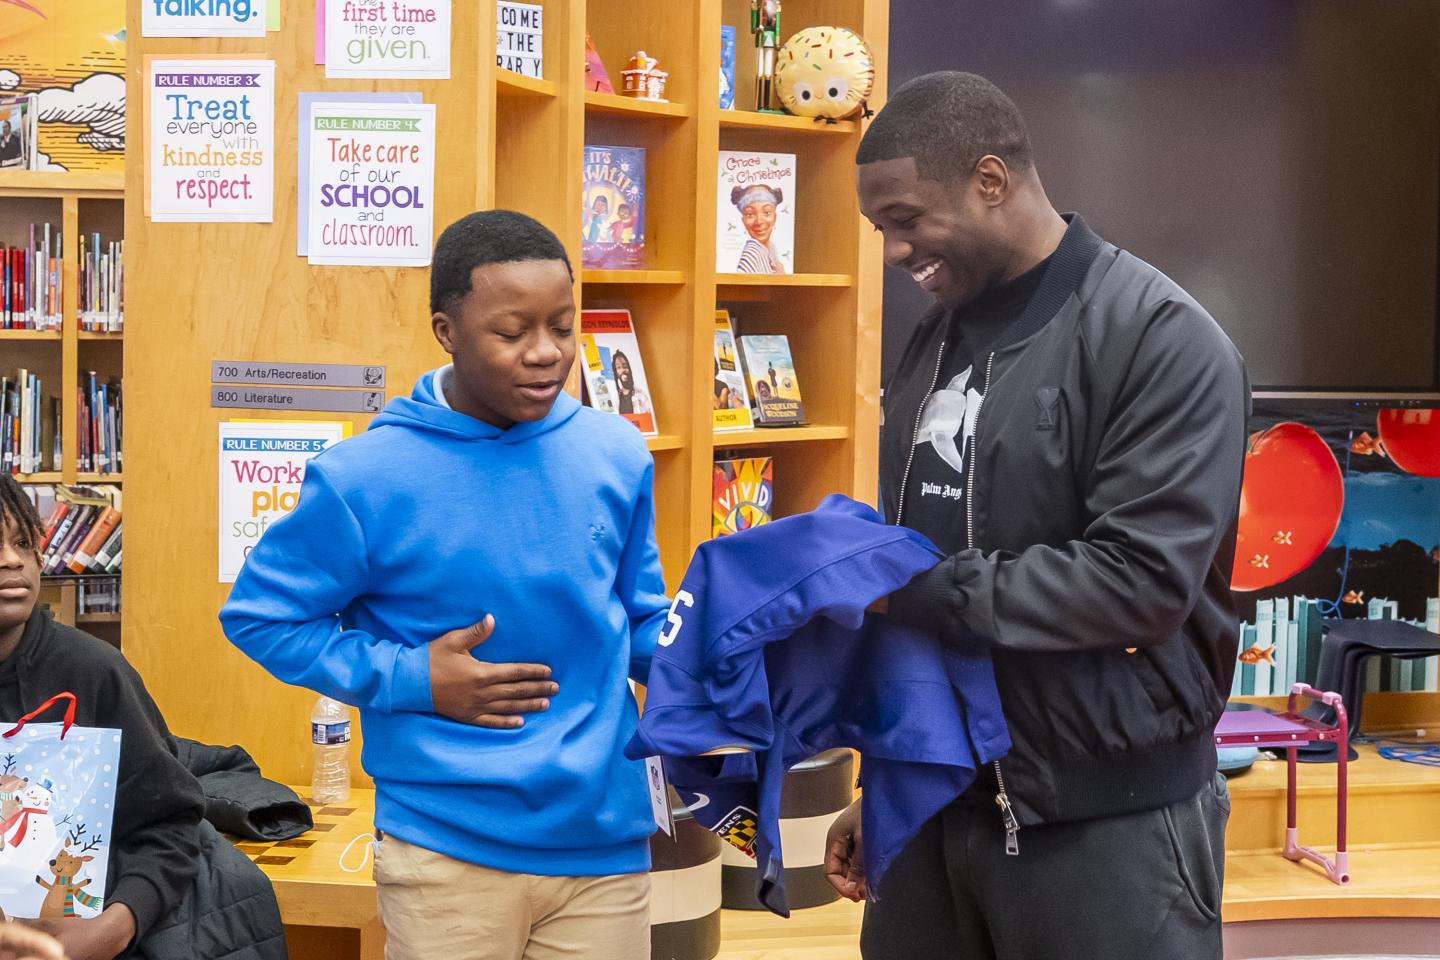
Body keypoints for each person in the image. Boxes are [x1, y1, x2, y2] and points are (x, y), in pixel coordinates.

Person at [825, 72, 1249, 959]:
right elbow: (918, 550)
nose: (896, 253)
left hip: (1108, 827)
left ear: (990, 180)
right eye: (881, 231)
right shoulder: (932, 340)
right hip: (932, 809)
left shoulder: (1161, 338)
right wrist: (889, 778)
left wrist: (907, 590)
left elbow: (1139, 585)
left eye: (906, 220)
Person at [220, 210, 670, 960]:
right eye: (512, 332)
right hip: (445, 850)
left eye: (563, 327)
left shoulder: (615, 453)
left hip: (602, 840)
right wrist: (412, 677)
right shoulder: (366, 478)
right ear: (446, 330)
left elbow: (641, 624)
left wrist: (737, 648)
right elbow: (263, 618)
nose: (546, 354)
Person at [0, 476, 206, 960]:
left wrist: (115, 928)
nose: (12, 560)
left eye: (23, 543)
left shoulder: (94, 672)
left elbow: (170, 826)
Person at [731, 184, 786, 274]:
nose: (759, 221)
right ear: (743, 221)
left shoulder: (771, 248)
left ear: (775, 217)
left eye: (767, 213)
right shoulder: (751, 254)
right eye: (750, 214)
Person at [610, 350, 649, 417]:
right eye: (619, 367)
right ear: (616, 373)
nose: (623, 370)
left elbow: (648, 417)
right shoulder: (616, 397)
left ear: (629, 369)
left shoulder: (641, 394)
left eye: (625, 366)